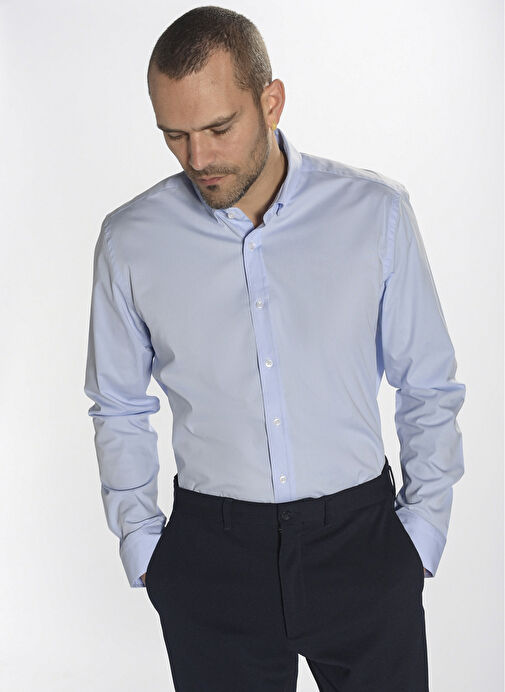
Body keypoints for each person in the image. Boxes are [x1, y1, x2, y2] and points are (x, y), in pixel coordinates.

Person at [83, 6, 465, 691]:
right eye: (174, 135)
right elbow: (117, 404)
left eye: (218, 128)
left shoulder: (374, 213)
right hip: (211, 558)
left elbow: (428, 385)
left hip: (363, 545)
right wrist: (143, 544)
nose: (198, 158)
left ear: (271, 101)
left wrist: (420, 534)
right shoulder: (131, 239)